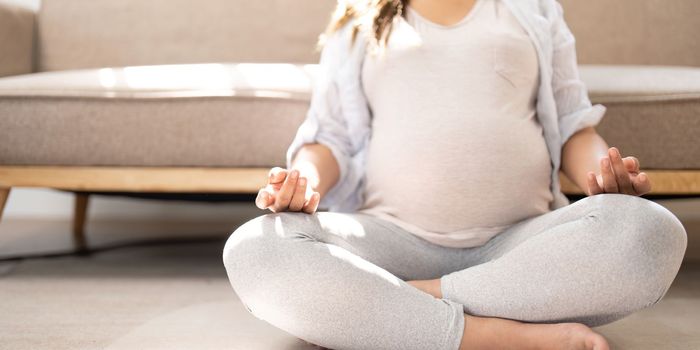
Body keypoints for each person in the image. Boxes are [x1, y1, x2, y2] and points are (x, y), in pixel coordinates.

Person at [223, 0, 688, 349]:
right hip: (390, 242)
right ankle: (499, 336)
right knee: (255, 249)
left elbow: (572, 126)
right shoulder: (359, 14)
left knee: (651, 231)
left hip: (522, 246)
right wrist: (303, 181)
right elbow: (330, 138)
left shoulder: (532, 7)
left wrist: (606, 180)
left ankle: (390, 307)